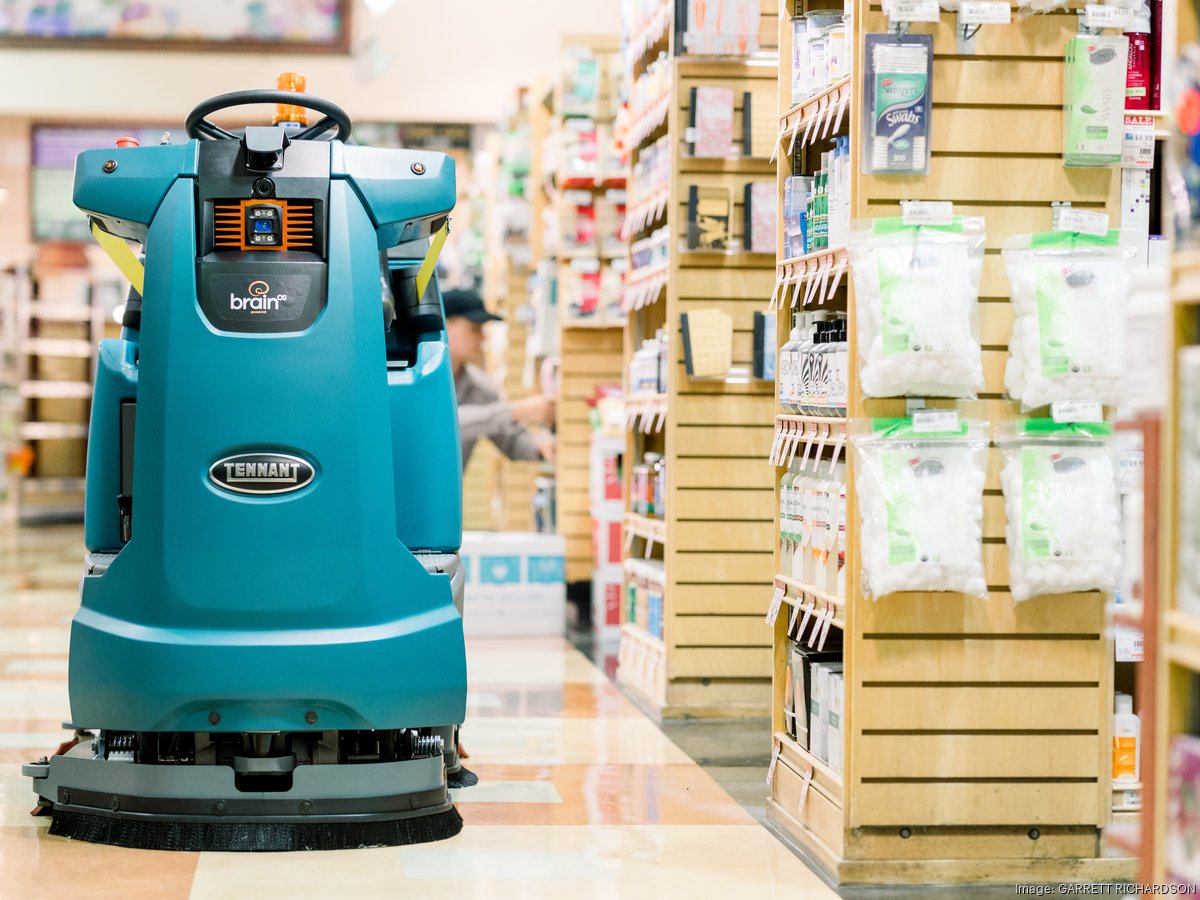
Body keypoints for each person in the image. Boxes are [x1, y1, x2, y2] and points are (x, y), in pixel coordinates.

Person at [442, 289, 556, 467]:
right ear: (446, 326)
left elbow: (509, 440)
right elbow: (443, 425)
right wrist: (516, 411)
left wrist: (540, 447)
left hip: (449, 494)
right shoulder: (417, 379)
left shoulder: (480, 386)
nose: (482, 337)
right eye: (475, 329)